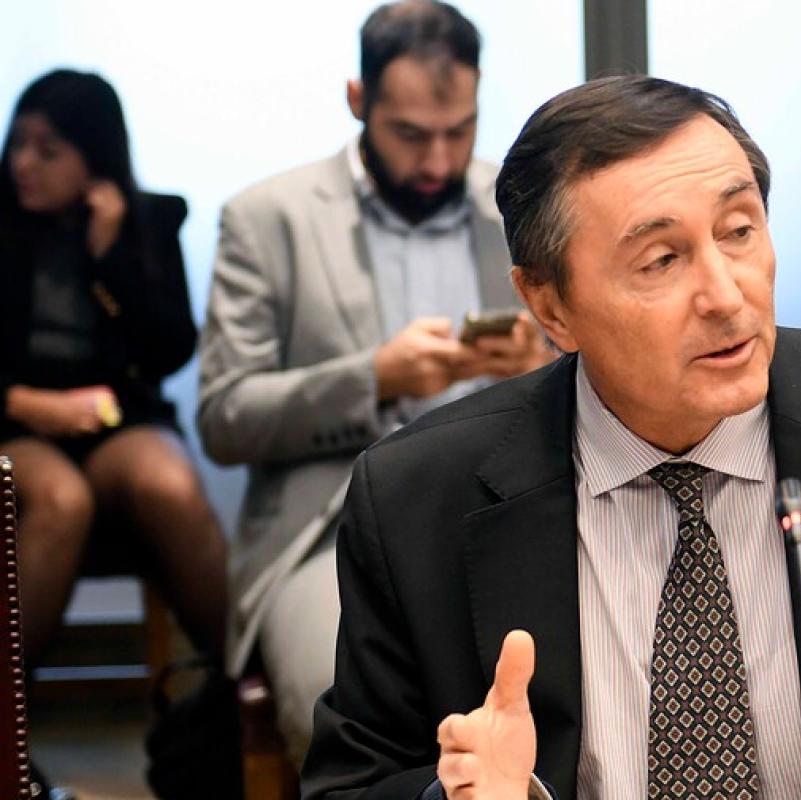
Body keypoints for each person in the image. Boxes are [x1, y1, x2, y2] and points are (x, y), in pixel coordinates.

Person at [303, 75, 801, 799]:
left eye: (738, 230)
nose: (726, 295)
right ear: (550, 307)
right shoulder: (416, 498)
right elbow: (352, 781)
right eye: (661, 260)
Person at [198, 0, 553, 763]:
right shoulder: (269, 218)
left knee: (567, 694)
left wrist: (542, 370)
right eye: (411, 135)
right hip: (332, 529)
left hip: (514, 505)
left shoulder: (522, 208)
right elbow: (224, 416)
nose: (437, 162)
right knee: (345, 719)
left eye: (459, 131)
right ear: (358, 100)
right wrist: (373, 378)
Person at [0, 69, 230, 794]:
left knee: (167, 482)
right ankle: (6, 728)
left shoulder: (147, 220)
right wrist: (32, 405)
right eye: (19, 144)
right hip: (14, 421)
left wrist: (109, 259)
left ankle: (247, 689)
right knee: (59, 500)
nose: (25, 164)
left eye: (49, 151)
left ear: (94, 159)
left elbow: (168, 351)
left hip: (114, 422)